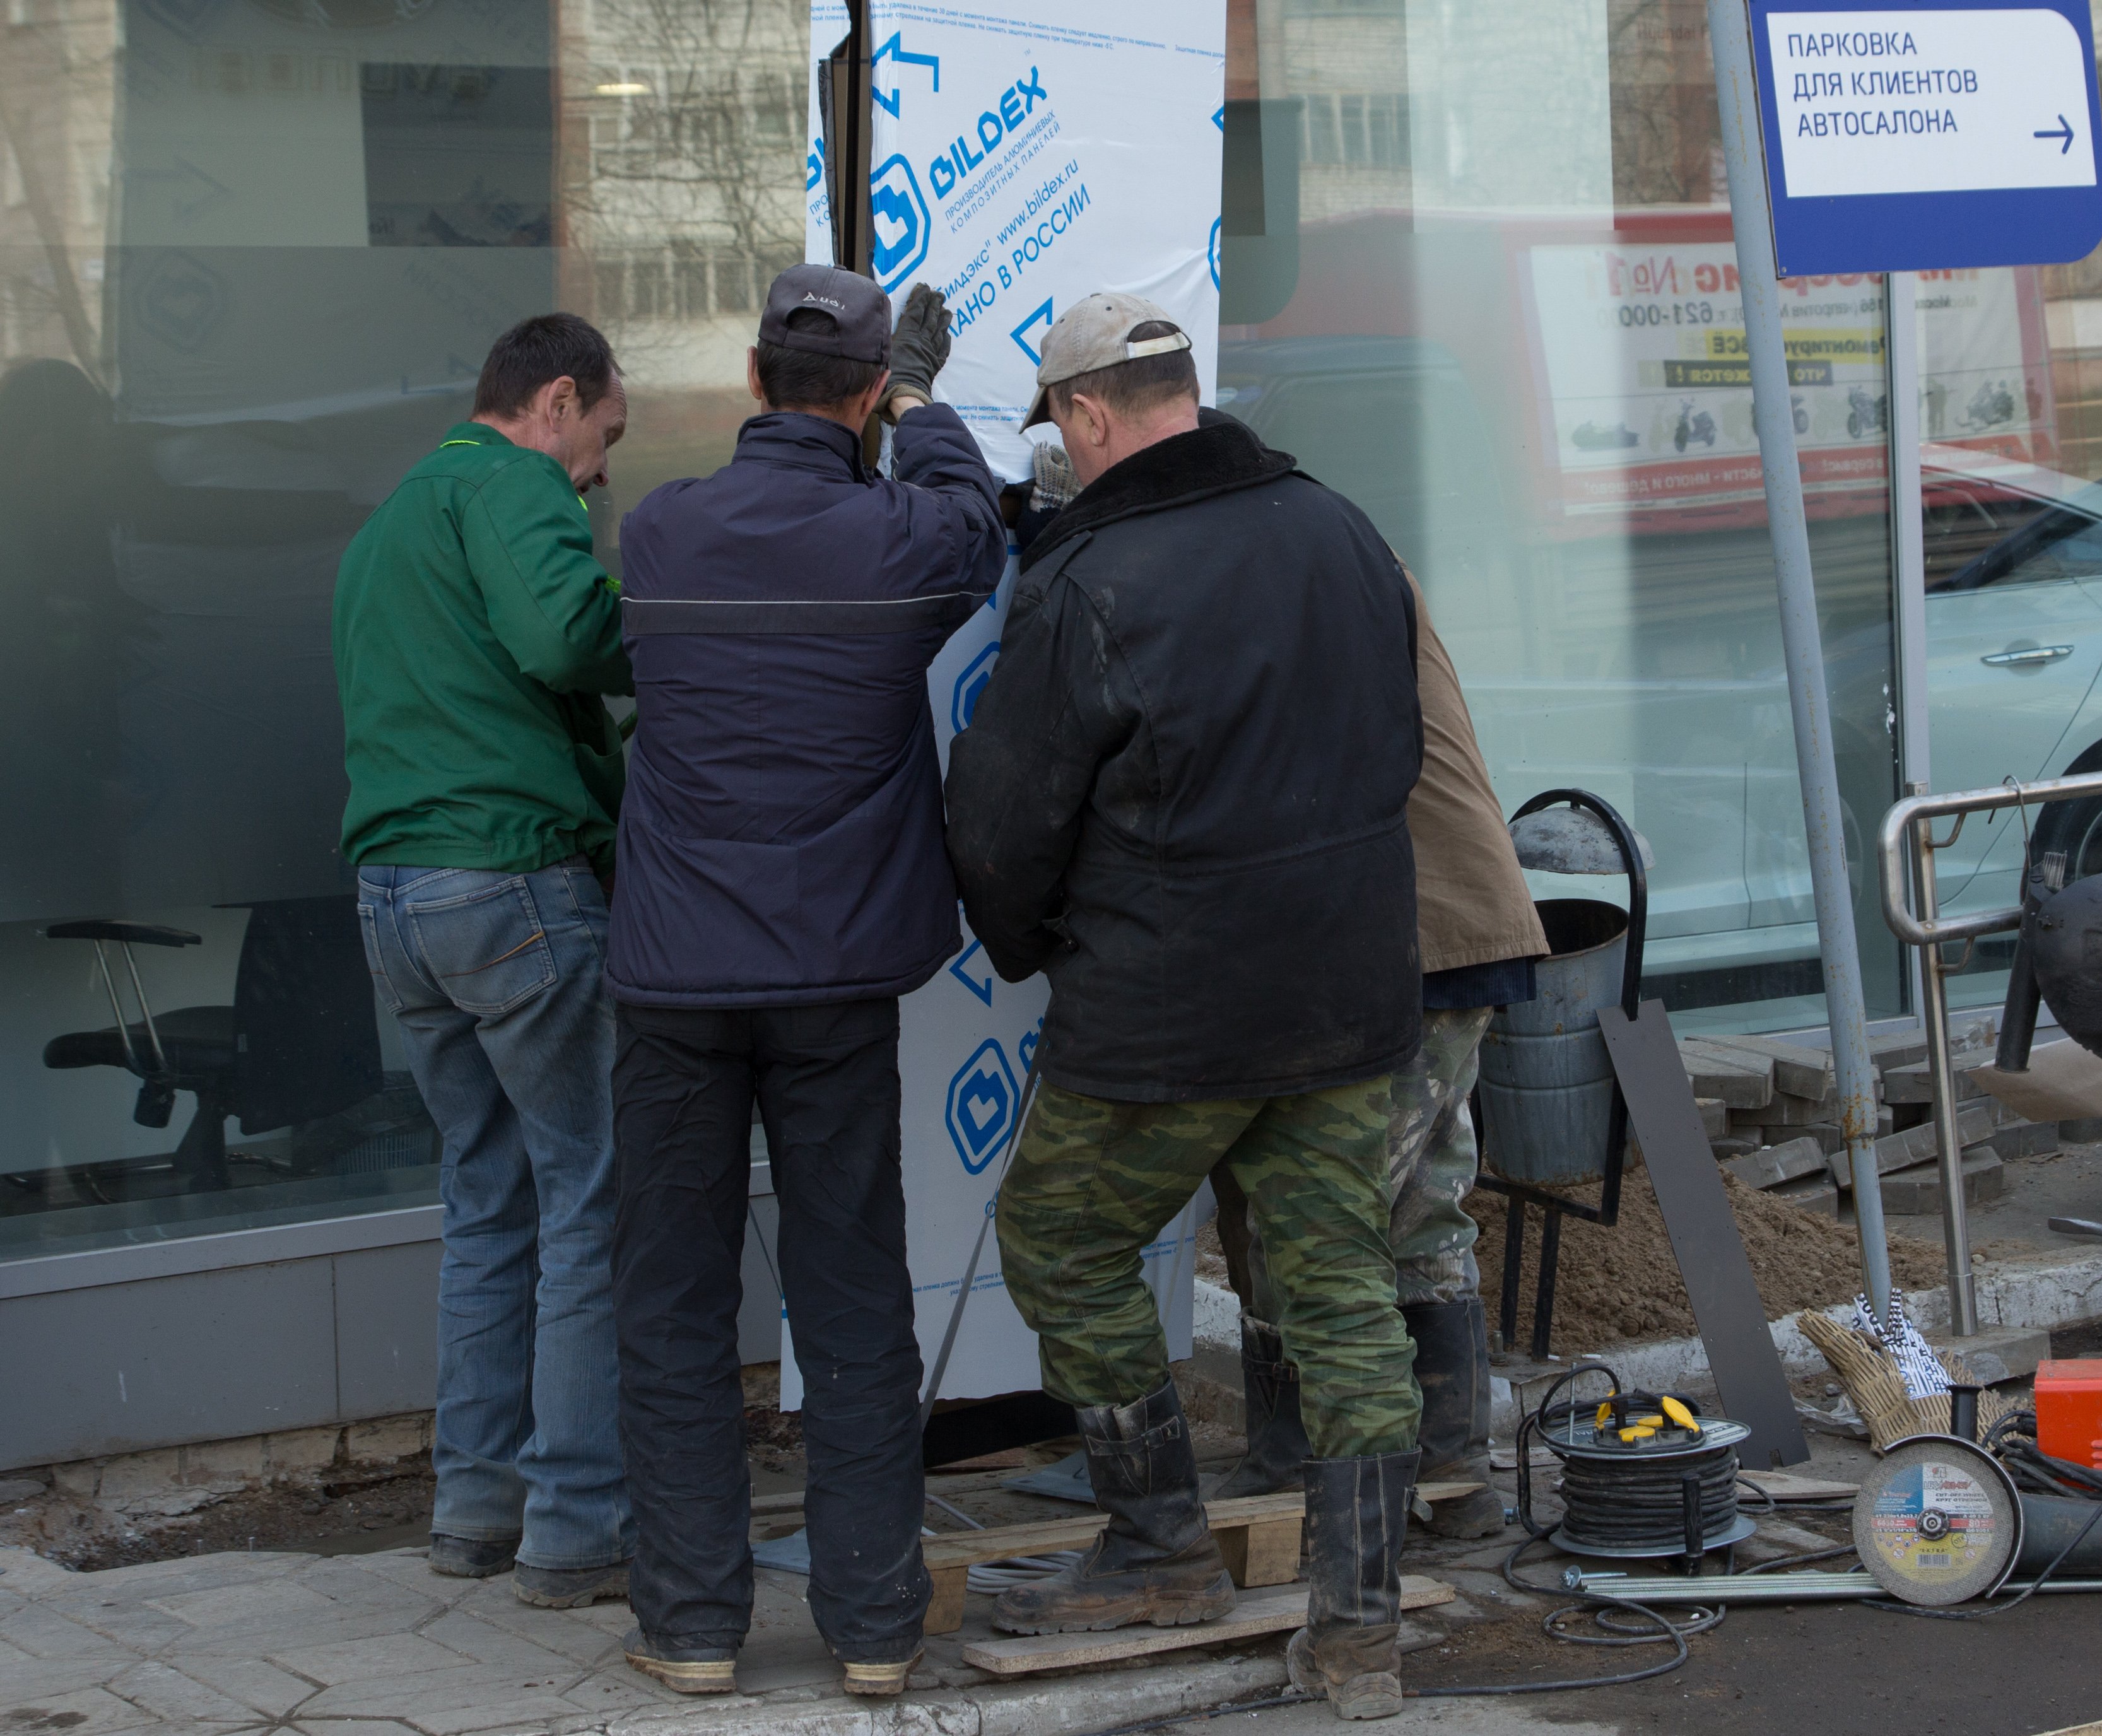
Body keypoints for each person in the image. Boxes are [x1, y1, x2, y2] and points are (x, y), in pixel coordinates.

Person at [945, 292, 1427, 1721]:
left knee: (1060, 1238)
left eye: (1063, 432)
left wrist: (1029, 945)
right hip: (1347, 990)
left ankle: (1157, 1542)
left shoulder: (1091, 577)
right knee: (1342, 1285)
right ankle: (1361, 1631)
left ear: (1089, 414)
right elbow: (1397, 742)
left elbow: (1004, 819)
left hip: (1170, 1007)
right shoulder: (1340, 526)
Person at [604, 265, 1005, 1698]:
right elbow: (974, 520)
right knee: (848, 1298)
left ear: (753, 383)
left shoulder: (659, 527)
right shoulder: (906, 540)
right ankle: (878, 1630)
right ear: (866, 402)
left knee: (669, 1299)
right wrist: (926, 401)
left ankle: (697, 1626)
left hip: (672, 979)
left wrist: (872, 402)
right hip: (835, 982)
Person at [333, 313, 635, 1609]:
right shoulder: (513, 482)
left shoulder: (392, 519)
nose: (601, 474)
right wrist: (699, 632)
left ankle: (472, 1508)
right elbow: (572, 641)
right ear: (556, 401)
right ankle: (573, 1528)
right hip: (509, 879)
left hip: (395, 899)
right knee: (586, 1195)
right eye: (604, 441)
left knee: (486, 1194)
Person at [1211, 567, 1547, 1540]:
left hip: (1402, 935)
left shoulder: (1284, 586)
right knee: (1420, 1207)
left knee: (1316, 1207)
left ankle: (1302, 1465)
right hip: (1455, 926)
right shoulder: (1351, 565)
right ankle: (1454, 1469)